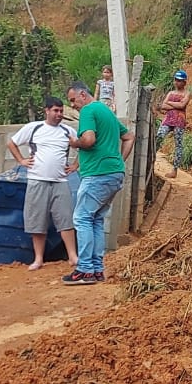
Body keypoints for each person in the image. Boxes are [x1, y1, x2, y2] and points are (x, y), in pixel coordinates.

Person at [64, 83, 133, 285]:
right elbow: (129, 137)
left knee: (82, 218)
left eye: (73, 100)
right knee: (95, 220)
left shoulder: (88, 110)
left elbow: (88, 139)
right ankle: (96, 269)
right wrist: (119, 161)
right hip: (113, 174)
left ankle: (85, 269)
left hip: (97, 175)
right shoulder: (106, 112)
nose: (73, 105)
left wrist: (73, 143)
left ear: (83, 95)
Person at [7, 97, 79, 271]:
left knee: (66, 220)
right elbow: (11, 143)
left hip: (61, 181)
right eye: (55, 111)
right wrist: (21, 161)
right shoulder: (34, 128)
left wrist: (75, 166)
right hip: (37, 180)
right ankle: (38, 259)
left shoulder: (67, 131)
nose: (59, 114)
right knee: (37, 221)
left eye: (61, 111)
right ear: (46, 111)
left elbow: (82, 148)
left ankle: (73, 256)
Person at [157, 69, 192, 179]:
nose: (177, 82)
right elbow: (163, 106)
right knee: (159, 137)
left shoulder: (187, 93)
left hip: (179, 121)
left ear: (184, 82)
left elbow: (182, 106)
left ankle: (174, 170)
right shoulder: (171, 93)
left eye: (179, 80)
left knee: (178, 145)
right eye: (176, 80)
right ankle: (151, 160)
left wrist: (170, 104)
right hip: (168, 119)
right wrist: (177, 104)